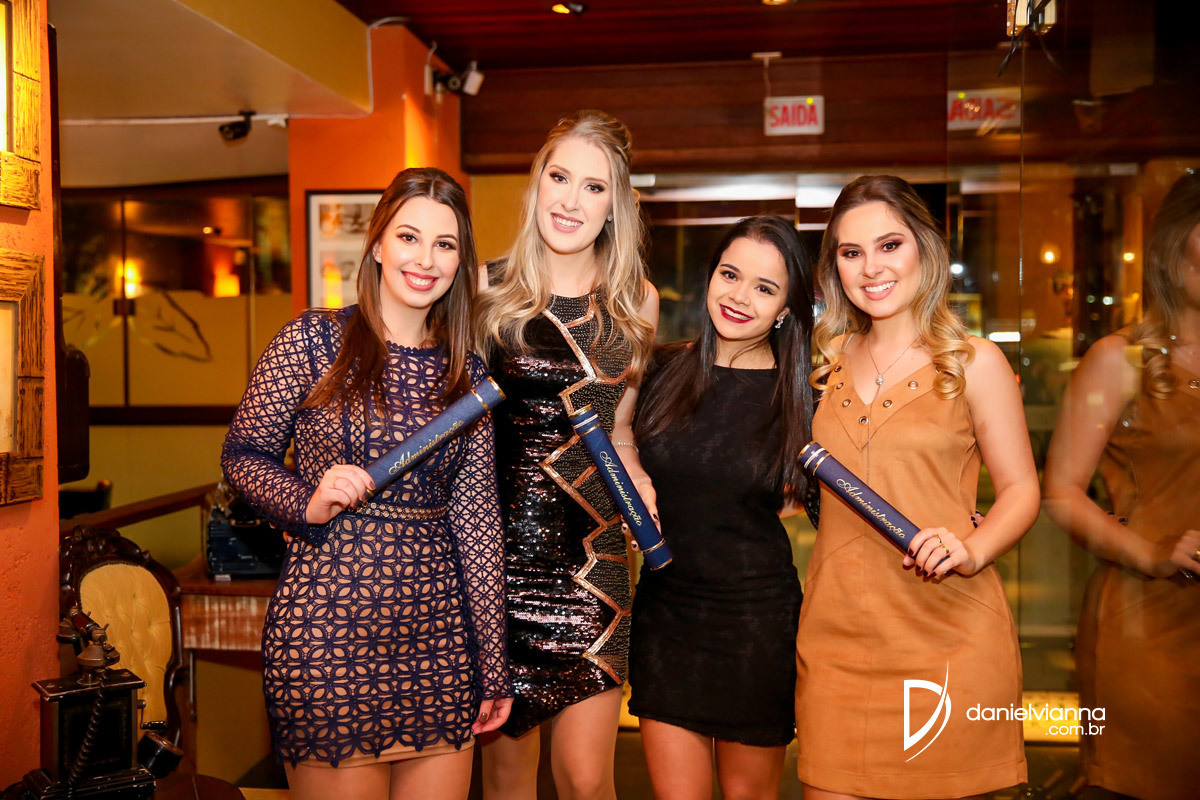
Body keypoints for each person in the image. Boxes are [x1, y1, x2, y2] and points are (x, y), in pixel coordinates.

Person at [221, 168, 512, 800]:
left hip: (439, 646)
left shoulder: (466, 371)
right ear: (378, 243)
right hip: (326, 638)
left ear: (460, 262)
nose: (425, 259)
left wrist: (493, 664)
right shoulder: (311, 340)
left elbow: (478, 523)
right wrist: (305, 499)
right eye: (409, 237)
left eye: (445, 244)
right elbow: (242, 456)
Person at [794, 175, 1039, 799]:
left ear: (925, 250)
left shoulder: (974, 362)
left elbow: (1021, 491)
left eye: (889, 245)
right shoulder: (822, 364)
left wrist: (971, 549)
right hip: (835, 643)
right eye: (851, 252)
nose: (871, 268)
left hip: (949, 639)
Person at [475, 109, 658, 800]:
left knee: (586, 780)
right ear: (537, 183)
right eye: (560, 177)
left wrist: (637, 475)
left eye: (594, 186)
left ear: (616, 205)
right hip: (497, 567)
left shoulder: (636, 302)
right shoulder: (486, 290)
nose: (571, 200)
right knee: (507, 782)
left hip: (593, 565)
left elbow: (620, 429)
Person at [628, 215, 815, 800]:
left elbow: (843, 498)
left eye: (765, 287)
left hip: (755, 624)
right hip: (667, 617)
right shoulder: (659, 370)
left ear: (785, 308)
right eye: (730, 275)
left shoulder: (803, 396)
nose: (739, 296)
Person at [1043, 170, 1200, 800]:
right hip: (1150, 622)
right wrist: (1153, 554)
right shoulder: (1121, 360)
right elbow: (1060, 491)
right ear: (1174, 246)